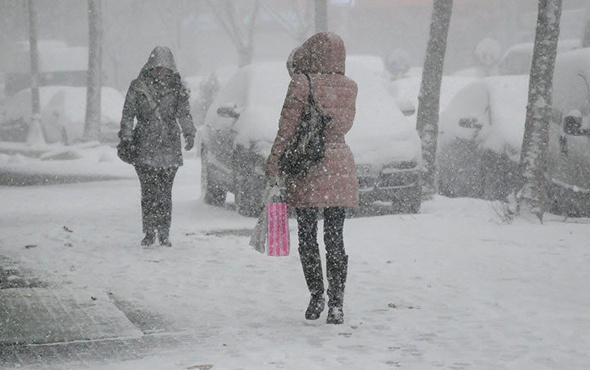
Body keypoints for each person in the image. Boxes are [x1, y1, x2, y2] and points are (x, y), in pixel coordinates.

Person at [266, 32, 359, 324]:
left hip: (307, 165)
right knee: (335, 237)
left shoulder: (302, 83)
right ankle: (337, 303)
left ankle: (316, 295)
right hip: (340, 163)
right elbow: (341, 125)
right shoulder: (350, 87)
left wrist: (274, 160)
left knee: (307, 235)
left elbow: (287, 128)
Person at [118, 46, 196, 247]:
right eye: (157, 67)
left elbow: (184, 114)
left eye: (164, 67)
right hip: (145, 146)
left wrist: (189, 133)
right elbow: (128, 114)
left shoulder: (177, 88)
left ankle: (164, 232)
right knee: (149, 192)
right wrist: (126, 138)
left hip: (169, 145)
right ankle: (149, 231)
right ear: (150, 66)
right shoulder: (139, 87)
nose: (160, 71)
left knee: (164, 193)